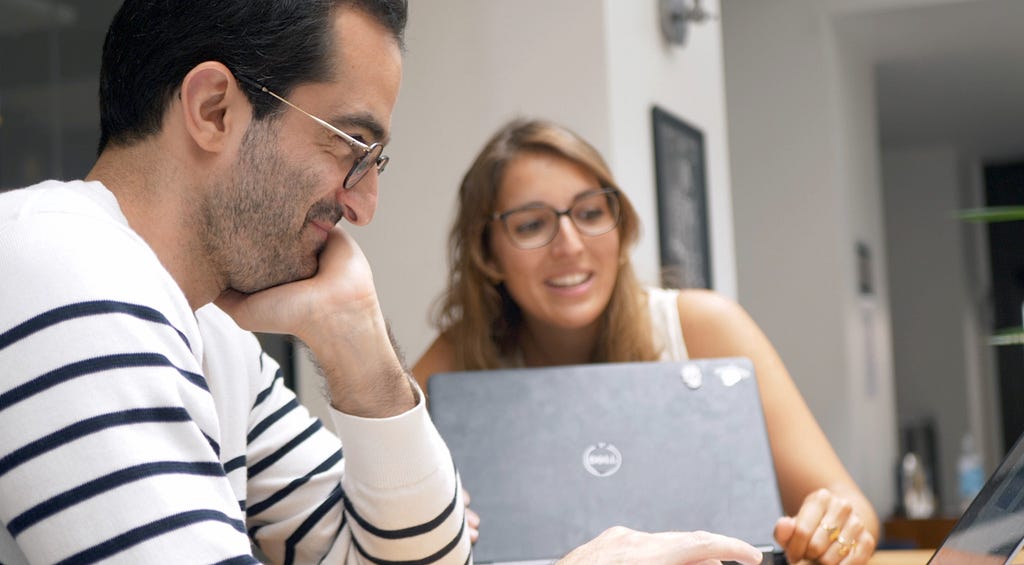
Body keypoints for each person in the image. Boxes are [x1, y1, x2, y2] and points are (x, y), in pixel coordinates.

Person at [0, 1, 766, 564]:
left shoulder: (210, 333)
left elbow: (422, 562)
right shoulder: (61, 267)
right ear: (213, 108)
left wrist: (360, 345)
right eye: (352, 148)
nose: (364, 204)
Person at [414, 118, 881, 565]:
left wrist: (836, 529)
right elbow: (370, 515)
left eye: (591, 212)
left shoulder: (706, 327)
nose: (570, 244)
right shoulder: (455, 363)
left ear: (621, 227)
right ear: (487, 252)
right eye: (532, 224)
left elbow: (850, 508)